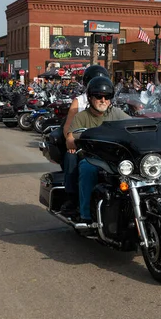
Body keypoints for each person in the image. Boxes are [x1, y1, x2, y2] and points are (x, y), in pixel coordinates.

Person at [63, 76, 131, 222]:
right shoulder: (82, 117)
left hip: (114, 157)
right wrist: (80, 140)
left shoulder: (116, 113)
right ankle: (85, 215)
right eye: (99, 96)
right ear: (90, 98)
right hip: (92, 157)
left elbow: (133, 124)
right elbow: (69, 140)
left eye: (107, 96)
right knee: (88, 169)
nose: (103, 100)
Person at [61, 65, 110, 215]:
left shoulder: (108, 100)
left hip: (105, 143)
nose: (103, 98)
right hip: (83, 143)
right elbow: (68, 127)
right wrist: (73, 141)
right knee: (71, 154)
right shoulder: (80, 101)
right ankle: (71, 196)